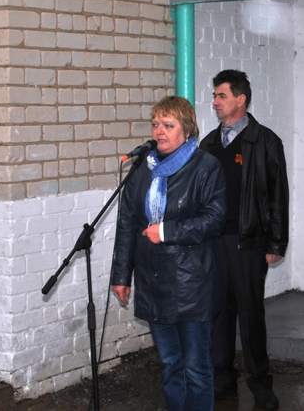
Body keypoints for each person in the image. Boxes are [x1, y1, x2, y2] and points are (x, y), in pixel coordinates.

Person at [110, 96, 227, 411]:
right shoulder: (143, 168)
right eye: (155, 124)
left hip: (192, 285)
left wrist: (166, 231)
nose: (159, 131)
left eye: (168, 125)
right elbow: (127, 224)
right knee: (170, 364)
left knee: (196, 368)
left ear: (187, 131)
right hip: (153, 283)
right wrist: (121, 275)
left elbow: (215, 220)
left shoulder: (206, 167)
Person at [199, 70, 289, 411]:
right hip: (214, 241)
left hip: (249, 241)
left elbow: (278, 195)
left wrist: (276, 243)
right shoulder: (208, 144)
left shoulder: (265, 141)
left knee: (250, 315)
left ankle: (260, 383)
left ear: (241, 99)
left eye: (221, 95)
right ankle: (222, 378)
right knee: (218, 313)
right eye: (214, 96)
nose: (215, 102)